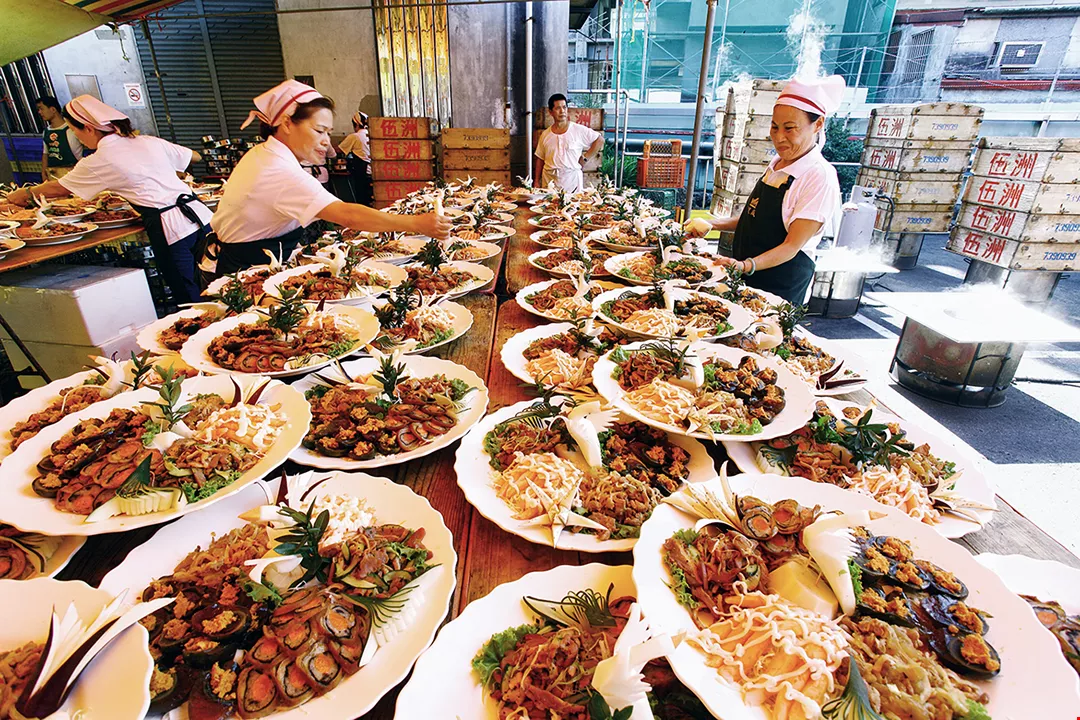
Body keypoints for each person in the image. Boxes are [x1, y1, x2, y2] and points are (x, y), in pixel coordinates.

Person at [210, 80, 450, 275]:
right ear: (287, 123)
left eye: (328, 133)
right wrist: (415, 224)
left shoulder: (265, 154)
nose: (326, 141)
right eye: (319, 131)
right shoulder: (276, 168)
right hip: (244, 273)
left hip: (256, 262)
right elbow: (347, 215)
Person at [7, 95, 212, 304]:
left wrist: (23, 194)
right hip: (202, 217)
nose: (77, 137)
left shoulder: (100, 159)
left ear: (89, 128)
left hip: (171, 228)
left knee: (188, 294)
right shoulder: (147, 141)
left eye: (75, 130)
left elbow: (58, 188)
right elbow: (194, 156)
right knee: (216, 282)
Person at [687, 76, 846, 305]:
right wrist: (712, 224)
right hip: (748, 277)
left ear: (818, 124)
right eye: (774, 127)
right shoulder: (777, 164)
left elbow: (791, 246)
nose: (779, 137)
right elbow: (754, 218)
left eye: (790, 128)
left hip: (780, 286)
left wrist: (745, 265)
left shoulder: (819, 176)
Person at [534, 93, 604, 193]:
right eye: (558, 108)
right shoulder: (545, 135)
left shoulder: (578, 130)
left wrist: (585, 158)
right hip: (549, 181)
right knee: (549, 202)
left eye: (564, 107)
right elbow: (540, 158)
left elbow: (600, 140)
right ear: (551, 112)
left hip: (572, 181)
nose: (562, 111)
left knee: (573, 202)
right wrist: (536, 181)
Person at [35, 96, 83, 181]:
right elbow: (45, 154)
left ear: (53, 109)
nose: (39, 112)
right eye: (38, 109)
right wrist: (43, 172)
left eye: (41, 109)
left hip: (74, 174)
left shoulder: (72, 129)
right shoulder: (46, 132)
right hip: (54, 175)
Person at [339, 111, 372, 205]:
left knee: (362, 197)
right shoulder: (371, 135)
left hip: (362, 171)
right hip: (372, 171)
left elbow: (340, 150)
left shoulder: (355, 136)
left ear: (356, 124)